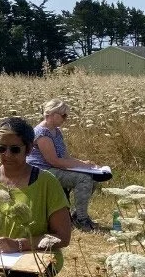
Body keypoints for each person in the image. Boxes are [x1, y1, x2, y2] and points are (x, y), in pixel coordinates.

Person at [0, 118, 72, 276]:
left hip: (35, 255)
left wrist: (19, 245)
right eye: (1, 148)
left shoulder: (47, 183)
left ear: (29, 149)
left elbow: (62, 238)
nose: (7, 155)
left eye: (15, 149)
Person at [27, 99, 102, 231]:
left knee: (93, 177)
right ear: (52, 114)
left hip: (53, 168)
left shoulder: (56, 131)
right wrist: (82, 167)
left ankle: (77, 214)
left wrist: (84, 164)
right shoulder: (41, 133)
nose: (66, 119)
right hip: (42, 171)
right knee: (83, 178)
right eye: (64, 115)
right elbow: (53, 161)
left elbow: (65, 157)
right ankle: (81, 220)